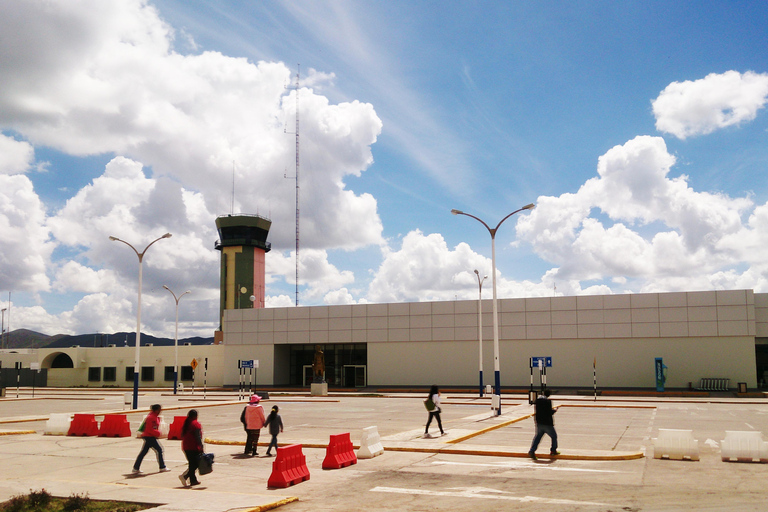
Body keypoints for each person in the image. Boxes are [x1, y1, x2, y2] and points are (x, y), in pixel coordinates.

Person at [132, 404, 170, 474]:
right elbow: (150, 429)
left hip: (148, 435)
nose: (160, 411)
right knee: (159, 450)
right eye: (159, 409)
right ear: (156, 410)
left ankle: (136, 468)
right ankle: (162, 466)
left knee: (144, 452)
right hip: (149, 436)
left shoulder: (153, 416)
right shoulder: (152, 417)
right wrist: (158, 433)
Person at [528, 388, 559, 459]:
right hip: (547, 423)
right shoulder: (548, 401)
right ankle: (553, 450)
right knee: (554, 436)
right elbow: (549, 412)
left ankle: (532, 451)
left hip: (539, 422)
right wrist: (555, 410)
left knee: (538, 437)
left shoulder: (537, 401)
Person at [179, 409, 203, 487]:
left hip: (186, 446)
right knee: (195, 464)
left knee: (192, 464)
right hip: (193, 446)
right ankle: (185, 476)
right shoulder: (195, 424)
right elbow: (198, 437)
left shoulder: (187, 423)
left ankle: (193, 480)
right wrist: (201, 446)